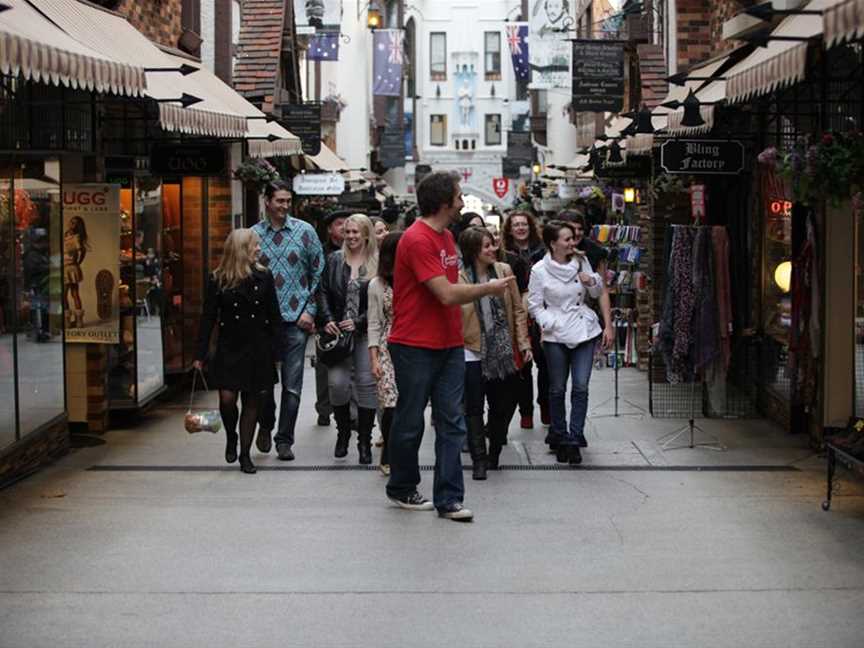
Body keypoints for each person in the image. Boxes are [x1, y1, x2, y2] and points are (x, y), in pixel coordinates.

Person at [386, 171, 514, 522]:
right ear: (444, 202)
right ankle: (402, 487)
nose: (461, 201)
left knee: (452, 422)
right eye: (458, 196)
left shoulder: (446, 238)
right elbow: (445, 293)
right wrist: (489, 288)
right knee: (411, 420)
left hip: (449, 342)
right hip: (414, 343)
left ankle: (449, 499)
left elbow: (453, 286)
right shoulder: (417, 239)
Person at [194, 229, 282, 474]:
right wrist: (199, 354)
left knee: (252, 401)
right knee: (227, 399)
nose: (259, 249)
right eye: (255, 245)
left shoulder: (264, 277)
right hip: (229, 347)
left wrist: (278, 352)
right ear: (242, 249)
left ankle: (244, 454)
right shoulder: (218, 278)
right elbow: (208, 317)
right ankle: (231, 435)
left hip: (258, 347)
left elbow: (274, 316)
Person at [528, 221, 613, 464]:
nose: (572, 243)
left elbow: (597, 293)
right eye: (566, 239)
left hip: (583, 329)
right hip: (555, 334)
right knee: (556, 388)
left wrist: (591, 282)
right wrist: (550, 323)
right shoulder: (539, 270)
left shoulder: (581, 261)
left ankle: (575, 438)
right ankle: (561, 435)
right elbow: (534, 305)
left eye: (573, 238)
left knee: (581, 386)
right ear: (553, 243)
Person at [252, 181, 324, 461]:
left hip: (296, 319)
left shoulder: (305, 232)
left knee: (292, 385)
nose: (284, 206)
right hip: (263, 321)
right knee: (263, 384)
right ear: (267, 202)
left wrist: (311, 310)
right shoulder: (254, 235)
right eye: (279, 201)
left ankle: (284, 440)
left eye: (287, 201)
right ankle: (265, 424)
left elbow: (319, 274)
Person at [458, 226, 531, 480]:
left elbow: (518, 310)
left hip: (503, 350)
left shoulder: (504, 271)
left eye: (492, 244)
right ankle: (479, 459)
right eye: (486, 246)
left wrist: (523, 343)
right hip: (472, 350)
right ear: (473, 251)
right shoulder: (459, 278)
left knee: (501, 407)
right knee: (474, 407)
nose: (492, 249)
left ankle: (495, 449)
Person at [318, 214, 379, 464]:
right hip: (338, 334)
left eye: (356, 232)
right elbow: (321, 291)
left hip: (366, 333)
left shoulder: (376, 263)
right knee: (337, 384)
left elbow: (382, 300)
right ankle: (343, 431)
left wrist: (360, 321)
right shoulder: (333, 260)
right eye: (348, 232)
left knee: (366, 384)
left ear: (366, 235)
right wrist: (328, 319)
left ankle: (364, 440)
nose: (351, 236)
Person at [502, 210, 547, 430]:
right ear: (509, 229)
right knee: (524, 368)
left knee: (545, 363)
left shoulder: (543, 251)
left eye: (524, 224)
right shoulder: (504, 255)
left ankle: (545, 406)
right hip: (518, 316)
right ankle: (526, 412)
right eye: (516, 225)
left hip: (541, 314)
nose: (520, 228)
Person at [368, 231, 403, 476]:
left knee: (407, 404)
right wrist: (374, 358)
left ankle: (403, 452)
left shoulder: (416, 279)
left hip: (413, 344)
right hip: (388, 346)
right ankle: (389, 453)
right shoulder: (377, 284)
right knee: (390, 402)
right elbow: (374, 322)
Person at [314, 210, 350, 426]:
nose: (344, 228)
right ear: (330, 229)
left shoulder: (358, 251)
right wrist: (322, 316)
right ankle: (324, 408)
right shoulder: (322, 254)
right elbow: (319, 288)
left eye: (347, 223)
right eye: (339, 224)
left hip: (351, 319)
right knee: (325, 366)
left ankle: (347, 410)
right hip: (327, 320)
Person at [63, 216, 89, 329]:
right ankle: (74, 321)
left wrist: (76, 262)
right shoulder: (67, 235)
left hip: (69, 267)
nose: (71, 224)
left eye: (74, 223)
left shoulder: (75, 237)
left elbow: (81, 251)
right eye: (71, 221)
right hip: (68, 267)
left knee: (69, 294)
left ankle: (73, 321)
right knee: (72, 294)